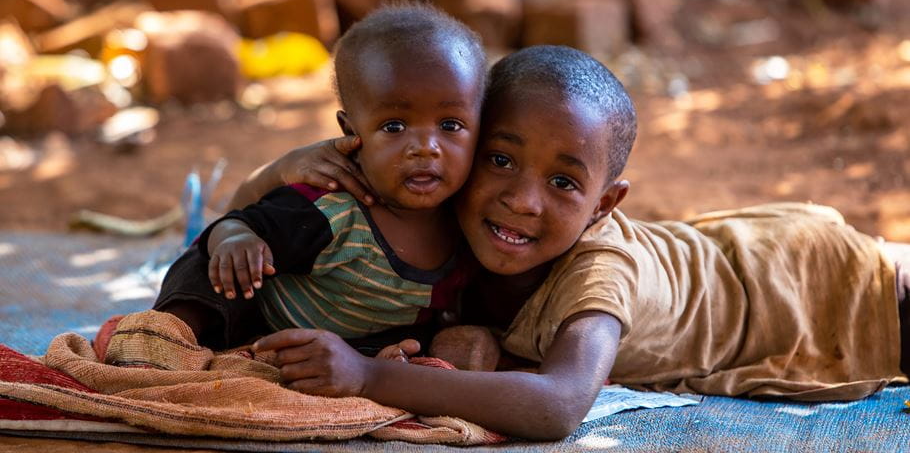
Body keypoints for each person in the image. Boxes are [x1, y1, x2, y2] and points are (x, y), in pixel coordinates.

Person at [238, 45, 910, 440]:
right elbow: (241, 222)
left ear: (604, 205)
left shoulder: (599, 268)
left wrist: (371, 376)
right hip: (734, 246)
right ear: (467, 150)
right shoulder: (445, 207)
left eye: (564, 181)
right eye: (500, 160)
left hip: (813, 285)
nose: (523, 200)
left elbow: (560, 405)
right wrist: (280, 170)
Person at [152, 3, 487, 352]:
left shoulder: (469, 224)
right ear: (350, 132)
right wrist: (235, 239)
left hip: (349, 348)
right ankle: (166, 338)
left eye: (450, 125)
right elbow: (234, 222)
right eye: (394, 126)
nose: (425, 147)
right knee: (207, 268)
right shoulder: (332, 208)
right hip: (252, 314)